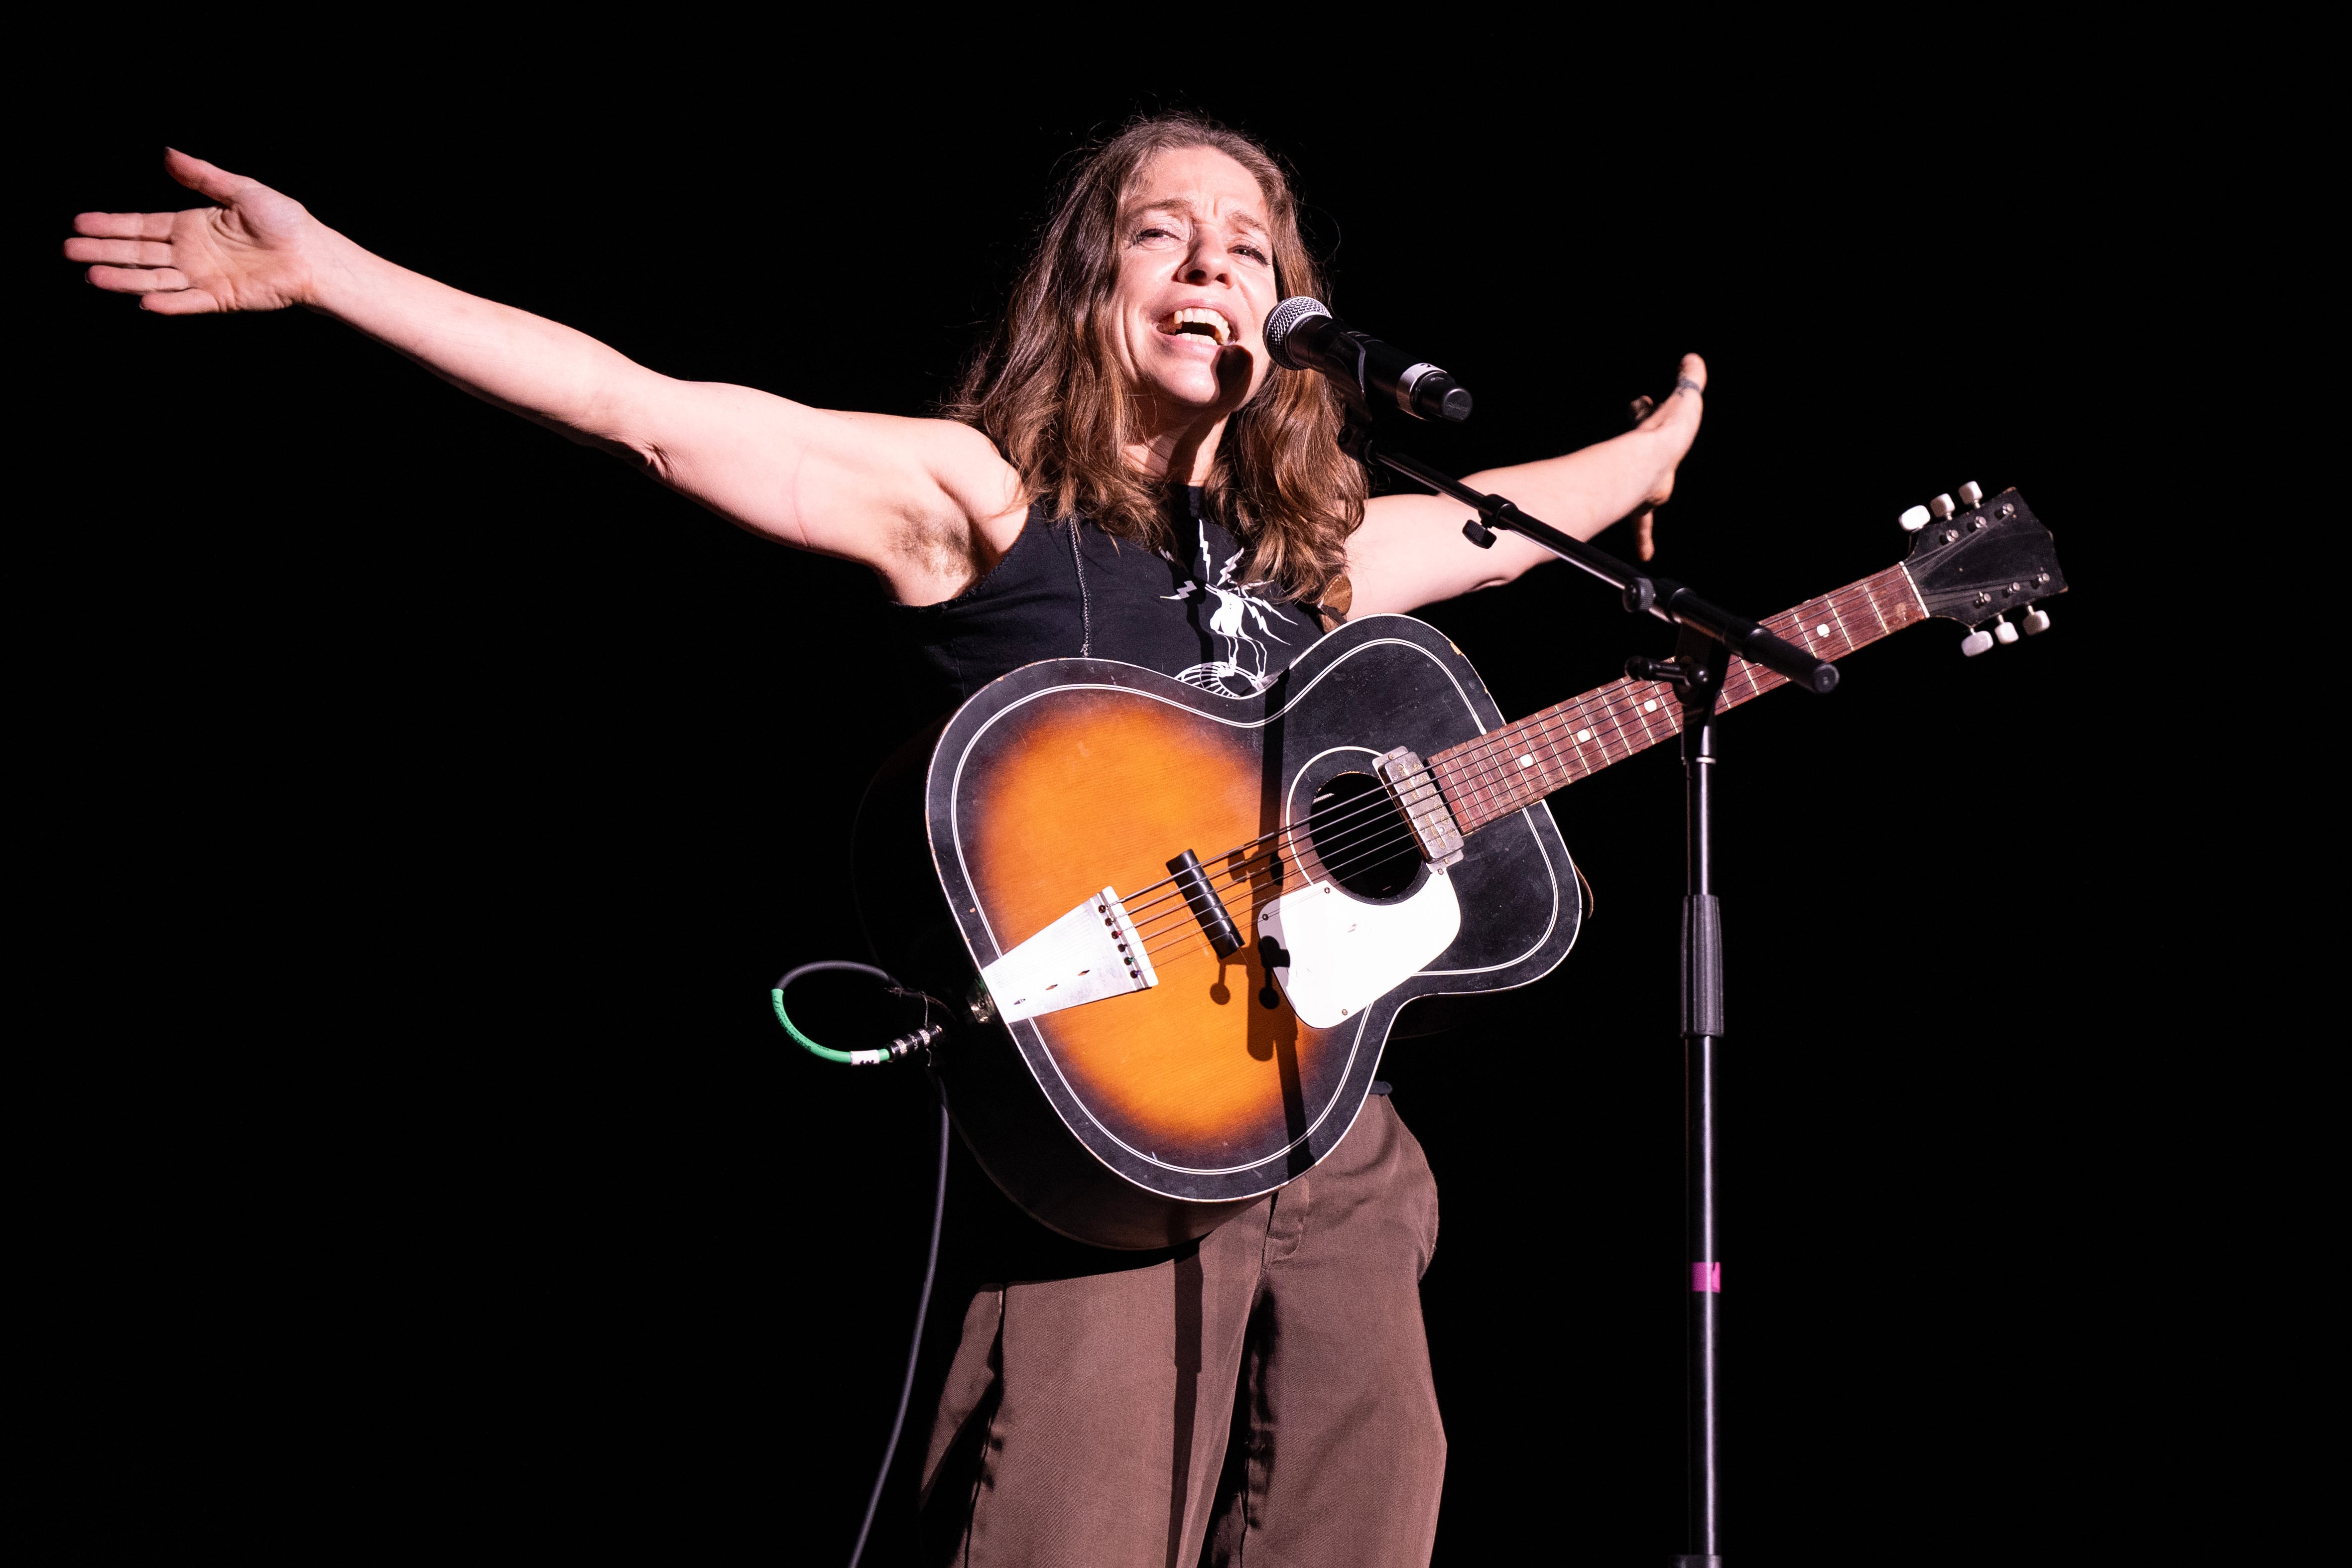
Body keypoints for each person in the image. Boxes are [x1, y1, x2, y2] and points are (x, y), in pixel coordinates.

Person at [67, 113, 1706, 1567]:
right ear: (1094, 288)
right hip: (1098, 1111)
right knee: (1071, 1517)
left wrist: (1647, 456)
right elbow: (640, 408)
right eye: (1163, 233)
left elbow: (1501, 535)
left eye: (1248, 244)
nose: (1213, 264)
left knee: (1366, 1504)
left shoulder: (1314, 565)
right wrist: (331, 270)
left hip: (1323, 1108)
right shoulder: (981, 496)